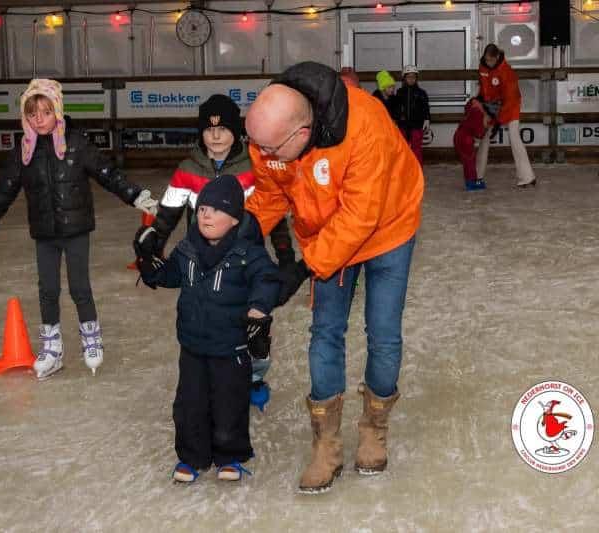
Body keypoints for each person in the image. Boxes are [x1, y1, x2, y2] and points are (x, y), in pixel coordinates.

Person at [243, 62, 424, 494]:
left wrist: (304, 266)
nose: (261, 155)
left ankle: (374, 429)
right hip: (326, 230)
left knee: (383, 333)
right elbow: (270, 193)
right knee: (325, 330)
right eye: (256, 145)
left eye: (269, 148)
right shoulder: (271, 140)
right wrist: (235, 238)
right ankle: (326, 443)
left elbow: (361, 215)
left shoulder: (366, 126)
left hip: (388, 229)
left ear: (302, 133)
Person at [0, 79, 158, 379]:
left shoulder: (76, 144)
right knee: (48, 290)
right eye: (32, 114)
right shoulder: (24, 152)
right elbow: (3, 189)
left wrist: (135, 195)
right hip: (45, 233)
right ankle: (52, 348)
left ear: (57, 110)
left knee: (80, 287)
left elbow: (107, 172)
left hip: (76, 229)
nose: (39, 120)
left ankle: (91, 339)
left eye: (45, 112)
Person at [135, 93, 293, 411]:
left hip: (245, 262)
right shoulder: (188, 169)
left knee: (250, 322)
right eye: (209, 130)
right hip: (202, 261)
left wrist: (285, 256)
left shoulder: (254, 168)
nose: (216, 136)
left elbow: (274, 215)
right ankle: (209, 376)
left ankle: (254, 375)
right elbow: (167, 215)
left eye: (223, 129)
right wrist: (154, 246)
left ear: (236, 132)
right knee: (208, 319)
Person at [134, 175, 280, 483]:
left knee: (230, 403)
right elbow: (167, 276)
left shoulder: (248, 253)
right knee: (190, 404)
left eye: (216, 210)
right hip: (193, 345)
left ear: (235, 218)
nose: (206, 216)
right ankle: (191, 456)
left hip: (231, 346)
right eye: (202, 209)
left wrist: (258, 309)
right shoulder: (187, 249)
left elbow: (267, 279)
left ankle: (230, 456)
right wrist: (147, 258)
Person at [477, 43, 536, 188]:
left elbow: (510, 99)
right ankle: (477, 176)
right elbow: (484, 89)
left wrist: (498, 121)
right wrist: (480, 102)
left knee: (514, 138)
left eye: (491, 60)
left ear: (497, 57)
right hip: (492, 106)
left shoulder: (507, 72)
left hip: (511, 105)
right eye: (487, 59)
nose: (489, 63)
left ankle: (527, 177)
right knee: (484, 138)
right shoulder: (482, 68)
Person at [394, 65, 430, 165]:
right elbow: (396, 108)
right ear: (404, 78)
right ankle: (404, 170)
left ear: (416, 78)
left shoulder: (421, 93)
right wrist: (395, 120)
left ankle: (417, 170)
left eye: (413, 77)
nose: (411, 79)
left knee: (416, 149)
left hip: (416, 126)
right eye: (408, 77)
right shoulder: (400, 93)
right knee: (403, 150)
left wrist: (427, 119)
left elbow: (425, 108)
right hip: (403, 125)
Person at [454, 97, 493, 191]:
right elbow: (479, 134)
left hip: (458, 136)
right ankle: (472, 183)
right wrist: (485, 126)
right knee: (470, 161)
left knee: (467, 161)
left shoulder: (472, 109)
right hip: (466, 139)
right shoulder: (479, 114)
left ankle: (470, 182)